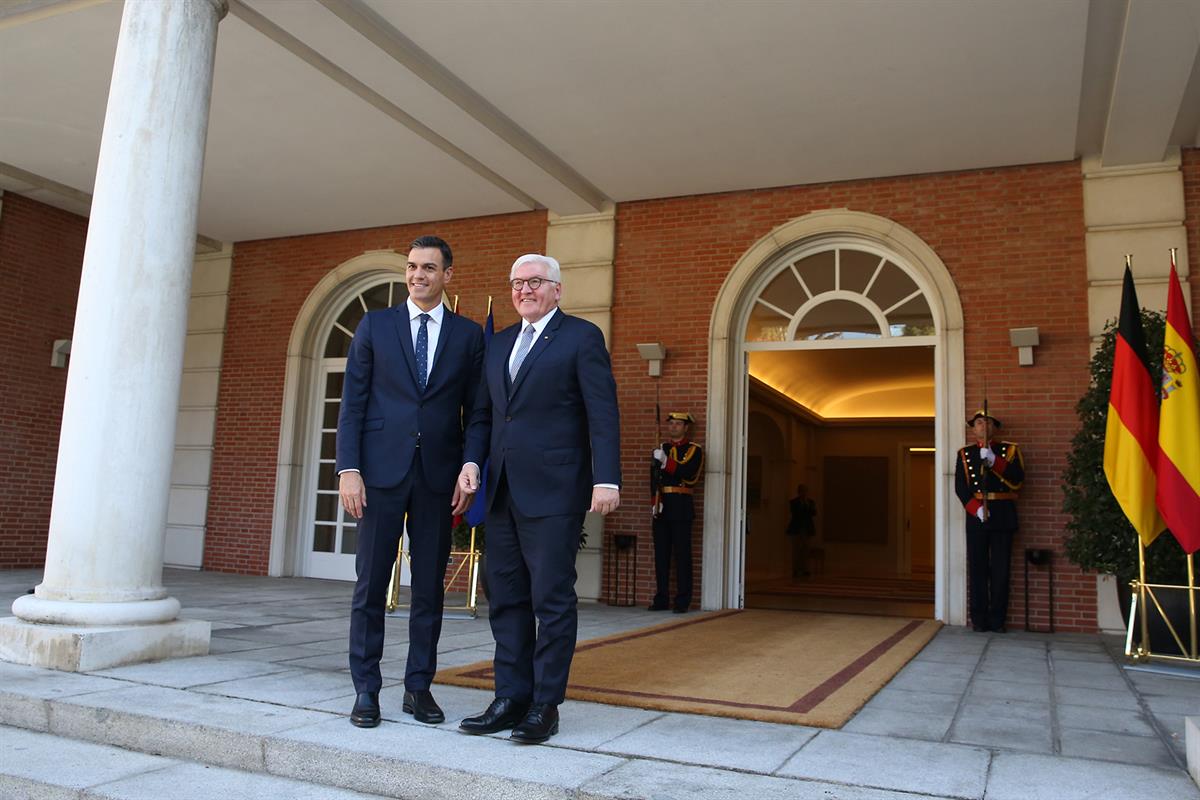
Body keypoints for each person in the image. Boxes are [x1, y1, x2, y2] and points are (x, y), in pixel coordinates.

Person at [456, 253, 621, 745]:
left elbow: (602, 413)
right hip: (502, 491)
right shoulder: (500, 342)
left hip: (555, 491)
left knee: (550, 600)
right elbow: (483, 416)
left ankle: (545, 706)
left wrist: (606, 478)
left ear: (556, 289)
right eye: (516, 283)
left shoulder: (581, 337)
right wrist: (471, 463)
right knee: (504, 597)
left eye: (534, 282)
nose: (523, 290)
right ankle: (510, 697)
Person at [336, 236, 484, 728]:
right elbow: (353, 403)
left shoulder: (468, 336)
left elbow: (478, 412)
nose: (418, 275)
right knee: (371, 584)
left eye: (428, 267)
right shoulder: (376, 326)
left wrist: (470, 463)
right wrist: (348, 469)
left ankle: (418, 688)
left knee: (428, 592)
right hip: (378, 475)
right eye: (412, 266)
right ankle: (366, 690)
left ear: (447, 275)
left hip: (438, 478)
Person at [954, 410, 1024, 633]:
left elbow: (1018, 479)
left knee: (1001, 570)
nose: (983, 425)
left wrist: (995, 461)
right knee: (978, 569)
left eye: (987, 422)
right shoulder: (965, 454)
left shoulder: (1009, 450)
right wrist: (976, 509)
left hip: (1002, 513)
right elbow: (961, 487)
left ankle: (997, 620)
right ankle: (979, 619)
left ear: (995, 427)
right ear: (973, 428)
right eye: (979, 422)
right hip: (978, 516)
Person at [648, 411, 703, 613]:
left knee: (682, 556)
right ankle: (661, 598)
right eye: (671, 424)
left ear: (686, 428)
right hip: (663, 506)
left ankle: (682, 601)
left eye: (678, 424)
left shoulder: (694, 450)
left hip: (681, 506)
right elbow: (653, 478)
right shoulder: (662, 448)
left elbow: (690, 474)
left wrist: (665, 462)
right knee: (661, 556)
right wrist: (654, 502)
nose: (674, 427)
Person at [785, 483, 817, 578]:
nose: (804, 493)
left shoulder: (811, 502)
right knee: (796, 551)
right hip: (796, 529)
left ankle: (806, 569)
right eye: (802, 491)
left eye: (805, 491)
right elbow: (795, 513)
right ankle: (796, 569)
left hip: (807, 529)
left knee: (806, 551)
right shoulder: (793, 502)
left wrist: (807, 505)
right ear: (798, 492)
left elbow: (814, 513)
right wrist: (802, 505)